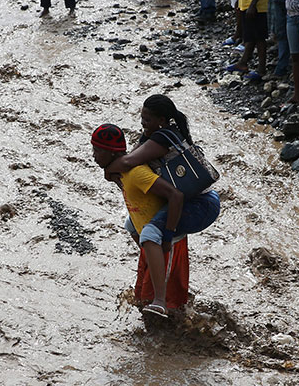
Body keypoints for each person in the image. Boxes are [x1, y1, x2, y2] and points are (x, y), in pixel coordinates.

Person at [91, 120, 219, 318]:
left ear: (113, 153)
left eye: (98, 151)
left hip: (169, 242)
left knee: (171, 309)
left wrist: (167, 237)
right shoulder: (119, 173)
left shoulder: (136, 173)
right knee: (142, 301)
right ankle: (153, 263)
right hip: (152, 239)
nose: (93, 155)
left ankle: (164, 304)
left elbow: (175, 195)